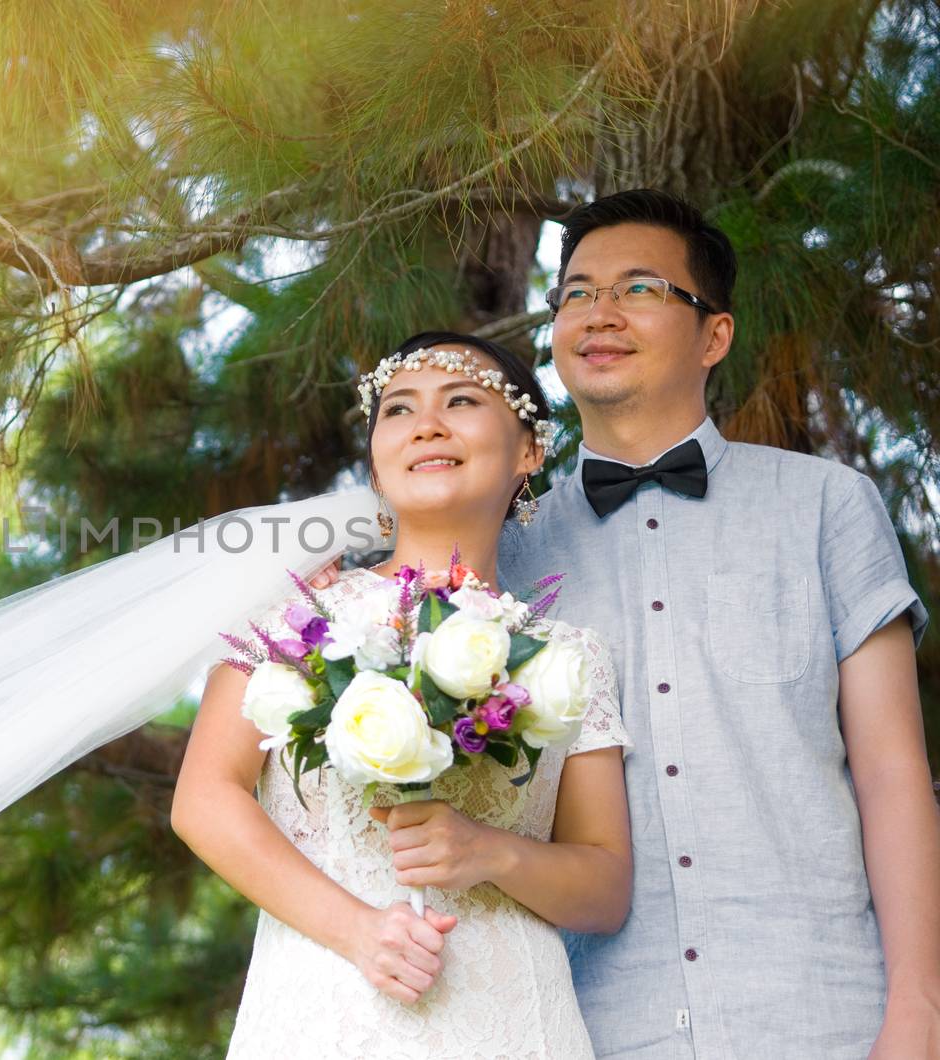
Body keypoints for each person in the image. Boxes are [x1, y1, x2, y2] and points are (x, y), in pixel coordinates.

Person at [319, 190, 939, 1057]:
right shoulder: (503, 555)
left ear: (714, 336)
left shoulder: (826, 505)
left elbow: (891, 771)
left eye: (640, 288)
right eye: (575, 293)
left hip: (822, 1009)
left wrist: (919, 1011)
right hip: (588, 1026)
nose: (598, 313)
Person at [172, 331, 634, 1057]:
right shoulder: (296, 614)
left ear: (529, 452)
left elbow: (605, 887)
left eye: (462, 400)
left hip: (515, 1025)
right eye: (399, 410)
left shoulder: (568, 659)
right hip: (324, 1010)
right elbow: (204, 800)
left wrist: (490, 853)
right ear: (377, 463)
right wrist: (357, 930)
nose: (428, 424)